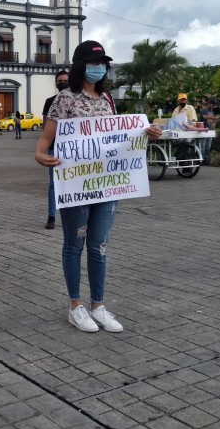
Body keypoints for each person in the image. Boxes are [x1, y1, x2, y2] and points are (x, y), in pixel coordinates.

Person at [35, 40, 162, 332]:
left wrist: (146, 134)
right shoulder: (65, 99)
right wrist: (40, 155)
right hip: (76, 185)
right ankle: (75, 306)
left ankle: (99, 305)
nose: (100, 68)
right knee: (74, 243)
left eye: (103, 64)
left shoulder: (108, 99)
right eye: (94, 63)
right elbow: (46, 138)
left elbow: (117, 137)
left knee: (99, 245)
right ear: (81, 66)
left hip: (106, 186)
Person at [42, 70, 69, 229]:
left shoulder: (78, 100)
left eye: (65, 80)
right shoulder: (50, 101)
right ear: (55, 83)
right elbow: (46, 125)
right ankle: (52, 215)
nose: (62, 83)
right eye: (60, 81)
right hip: (54, 148)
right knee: (54, 184)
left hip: (73, 149)